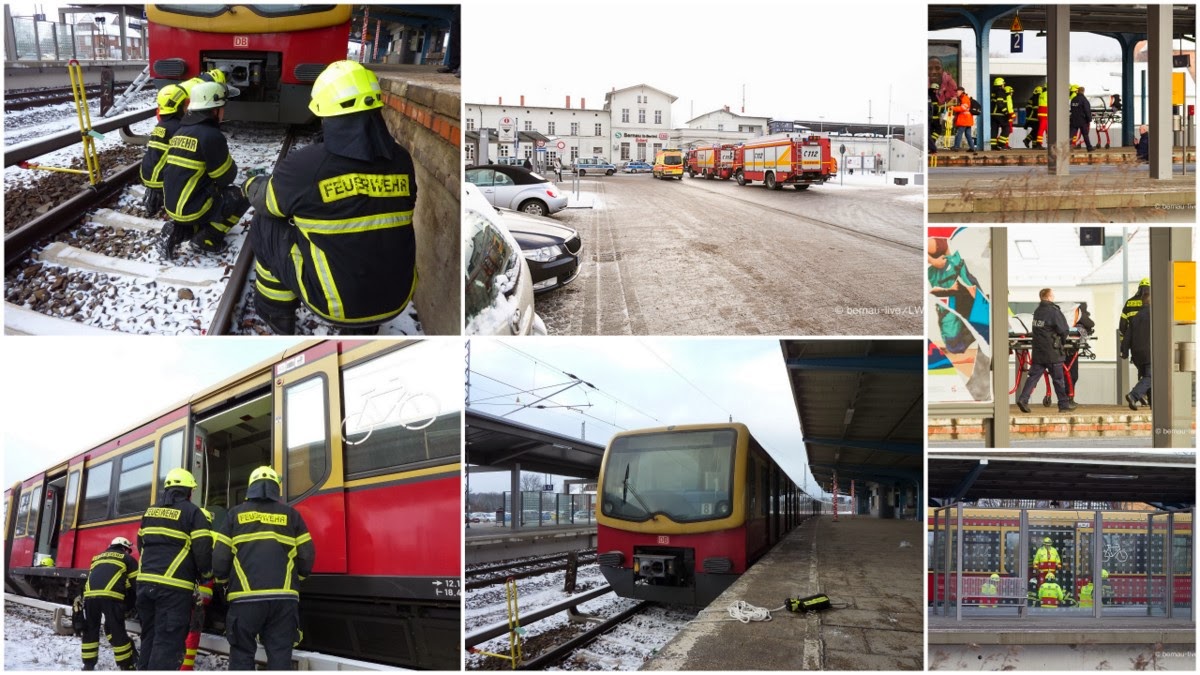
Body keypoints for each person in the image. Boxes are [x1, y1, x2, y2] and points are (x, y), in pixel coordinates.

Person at [243, 60, 418, 335]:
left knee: (267, 224)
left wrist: (250, 183)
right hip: (397, 297)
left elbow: (267, 201)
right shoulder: (401, 160)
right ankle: (366, 326)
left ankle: (274, 310)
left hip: (335, 304)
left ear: (324, 111)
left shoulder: (307, 165)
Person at [214, 467, 315, 670]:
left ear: (250, 488)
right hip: (284, 599)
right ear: (275, 488)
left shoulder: (234, 515)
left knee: (242, 652)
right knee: (280, 653)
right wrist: (297, 579)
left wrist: (223, 582)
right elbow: (306, 556)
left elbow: (219, 559)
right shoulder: (291, 515)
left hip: (244, 599)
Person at [159, 80, 250, 258]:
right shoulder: (211, 135)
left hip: (171, 206)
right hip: (193, 209)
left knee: (201, 185)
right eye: (223, 107)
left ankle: (182, 228)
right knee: (242, 194)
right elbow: (226, 177)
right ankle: (208, 238)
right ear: (215, 109)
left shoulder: (180, 132)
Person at [136, 468, 213, 671]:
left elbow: (140, 543)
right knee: (168, 644)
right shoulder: (192, 513)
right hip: (174, 590)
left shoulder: (149, 511)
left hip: (144, 587)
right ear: (188, 491)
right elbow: (203, 549)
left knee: (149, 638)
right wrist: (205, 574)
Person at [81, 537, 139, 671]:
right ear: (124, 548)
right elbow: (136, 585)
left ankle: (88, 665)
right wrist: (132, 605)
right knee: (117, 630)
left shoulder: (97, 558)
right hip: (111, 597)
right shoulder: (127, 559)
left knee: (90, 630)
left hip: (90, 597)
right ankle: (126, 665)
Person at [1016, 289, 1077, 413]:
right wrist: (1062, 344)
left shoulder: (1038, 311)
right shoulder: (1054, 311)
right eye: (1053, 295)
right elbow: (1064, 330)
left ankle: (1023, 399)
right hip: (1052, 352)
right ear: (1049, 297)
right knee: (1058, 380)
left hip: (1038, 351)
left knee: (1033, 377)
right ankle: (1064, 405)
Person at [140, 84, 189, 217]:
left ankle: (152, 199)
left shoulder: (162, 124)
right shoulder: (178, 128)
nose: (187, 107)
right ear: (177, 106)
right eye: (185, 104)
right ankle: (161, 201)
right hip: (160, 179)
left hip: (147, 172)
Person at [1121, 292, 1152, 410]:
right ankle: (1133, 396)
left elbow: (1127, 335)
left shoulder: (1136, 317)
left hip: (1137, 355)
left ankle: (1154, 404)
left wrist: (1124, 351)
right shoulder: (1154, 315)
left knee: (1146, 376)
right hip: (1150, 352)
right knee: (1151, 377)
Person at [951, 87, 977, 153]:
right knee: (968, 134)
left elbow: (963, 108)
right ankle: (972, 148)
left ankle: (956, 147)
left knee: (959, 133)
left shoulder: (964, 98)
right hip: (967, 119)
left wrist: (954, 108)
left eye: (957, 91)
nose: (956, 92)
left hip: (964, 119)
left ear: (961, 91)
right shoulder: (963, 98)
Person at [1069, 84, 1094, 152]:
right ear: (1083, 91)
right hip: (1082, 120)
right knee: (1085, 134)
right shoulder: (1084, 100)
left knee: (1071, 134)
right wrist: (1089, 119)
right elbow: (1087, 110)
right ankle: (1089, 148)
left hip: (1074, 119)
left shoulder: (1073, 99)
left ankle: (1068, 147)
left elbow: (1071, 109)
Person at [989, 77, 1012, 150]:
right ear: (1001, 84)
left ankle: (993, 145)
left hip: (993, 114)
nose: (1004, 85)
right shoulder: (1000, 91)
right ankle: (1001, 144)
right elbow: (1000, 103)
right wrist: (1005, 112)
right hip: (999, 114)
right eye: (1003, 84)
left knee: (994, 129)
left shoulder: (993, 92)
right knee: (1007, 128)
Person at [929, 83, 943, 154]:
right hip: (934, 118)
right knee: (938, 130)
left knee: (931, 132)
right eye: (937, 90)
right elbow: (935, 108)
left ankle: (931, 145)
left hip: (931, 118)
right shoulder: (933, 97)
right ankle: (932, 143)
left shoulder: (930, 95)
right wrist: (941, 108)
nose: (937, 91)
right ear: (934, 90)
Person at [1035, 83, 1048, 149]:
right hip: (1045, 114)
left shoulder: (1042, 94)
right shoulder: (1048, 94)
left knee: (1046, 129)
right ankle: (1038, 144)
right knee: (1042, 129)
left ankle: (1050, 143)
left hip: (1041, 113)